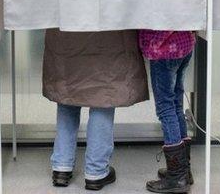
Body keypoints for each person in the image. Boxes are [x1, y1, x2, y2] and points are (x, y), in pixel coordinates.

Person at [42, 29, 148, 191]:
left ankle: (61, 167)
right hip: (108, 37)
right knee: (104, 94)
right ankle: (96, 171)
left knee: (68, 92)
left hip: (67, 35)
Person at [140, 30, 196, 193]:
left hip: (164, 50)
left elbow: (158, 20)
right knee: (176, 104)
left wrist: (148, 44)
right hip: (184, 44)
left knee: (165, 109)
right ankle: (184, 171)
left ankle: (177, 177)